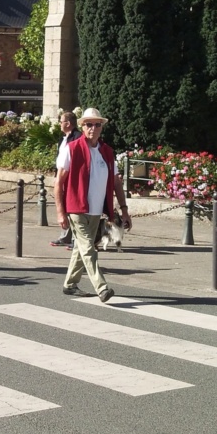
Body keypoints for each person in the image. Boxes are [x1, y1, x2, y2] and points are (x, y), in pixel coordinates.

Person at [55, 107, 132, 302]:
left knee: (81, 249)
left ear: (101, 127)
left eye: (97, 124)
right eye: (89, 124)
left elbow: (116, 183)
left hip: (97, 210)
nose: (93, 128)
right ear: (82, 126)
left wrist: (124, 210)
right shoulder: (72, 149)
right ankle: (102, 287)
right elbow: (59, 182)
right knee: (88, 247)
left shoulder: (107, 152)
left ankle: (70, 284)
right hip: (76, 208)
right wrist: (60, 212)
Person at [51, 111, 84, 248]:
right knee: (63, 205)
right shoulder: (63, 138)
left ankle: (75, 239)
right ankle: (65, 236)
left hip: (72, 177)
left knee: (72, 207)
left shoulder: (77, 137)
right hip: (62, 174)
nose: (59, 124)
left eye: (61, 121)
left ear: (68, 123)